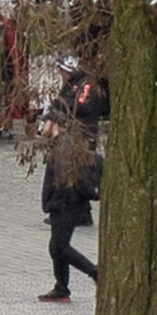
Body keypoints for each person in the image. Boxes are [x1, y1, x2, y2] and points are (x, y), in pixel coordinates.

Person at [39, 113, 101, 302]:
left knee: (60, 247)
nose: (43, 127)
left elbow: (66, 177)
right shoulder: (63, 144)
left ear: (55, 124)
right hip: (62, 203)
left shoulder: (64, 146)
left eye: (45, 122)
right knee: (55, 246)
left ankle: (94, 272)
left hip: (66, 204)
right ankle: (61, 287)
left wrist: (58, 200)